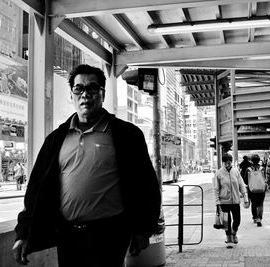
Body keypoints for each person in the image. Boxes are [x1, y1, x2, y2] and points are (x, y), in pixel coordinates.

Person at [12, 64, 161, 267]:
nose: (85, 95)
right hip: (68, 235)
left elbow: (146, 185)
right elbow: (36, 190)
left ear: (102, 93)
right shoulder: (56, 139)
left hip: (110, 236)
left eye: (92, 88)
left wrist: (143, 230)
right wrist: (24, 233)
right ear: (72, 94)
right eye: (79, 89)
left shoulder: (126, 135)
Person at [213, 153, 248, 249]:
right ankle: (229, 239)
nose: (228, 165)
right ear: (223, 163)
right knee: (227, 222)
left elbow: (241, 184)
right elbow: (216, 189)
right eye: (226, 163)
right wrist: (217, 202)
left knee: (237, 220)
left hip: (235, 200)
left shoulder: (236, 171)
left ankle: (234, 233)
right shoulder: (218, 173)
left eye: (229, 163)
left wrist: (245, 197)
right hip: (224, 201)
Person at [244, 154, 266, 227]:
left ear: (251, 160)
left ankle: (255, 218)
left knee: (254, 204)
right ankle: (259, 218)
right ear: (259, 160)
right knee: (260, 203)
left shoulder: (248, 169)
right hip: (261, 189)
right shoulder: (262, 169)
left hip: (252, 190)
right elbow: (265, 178)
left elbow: (245, 181)